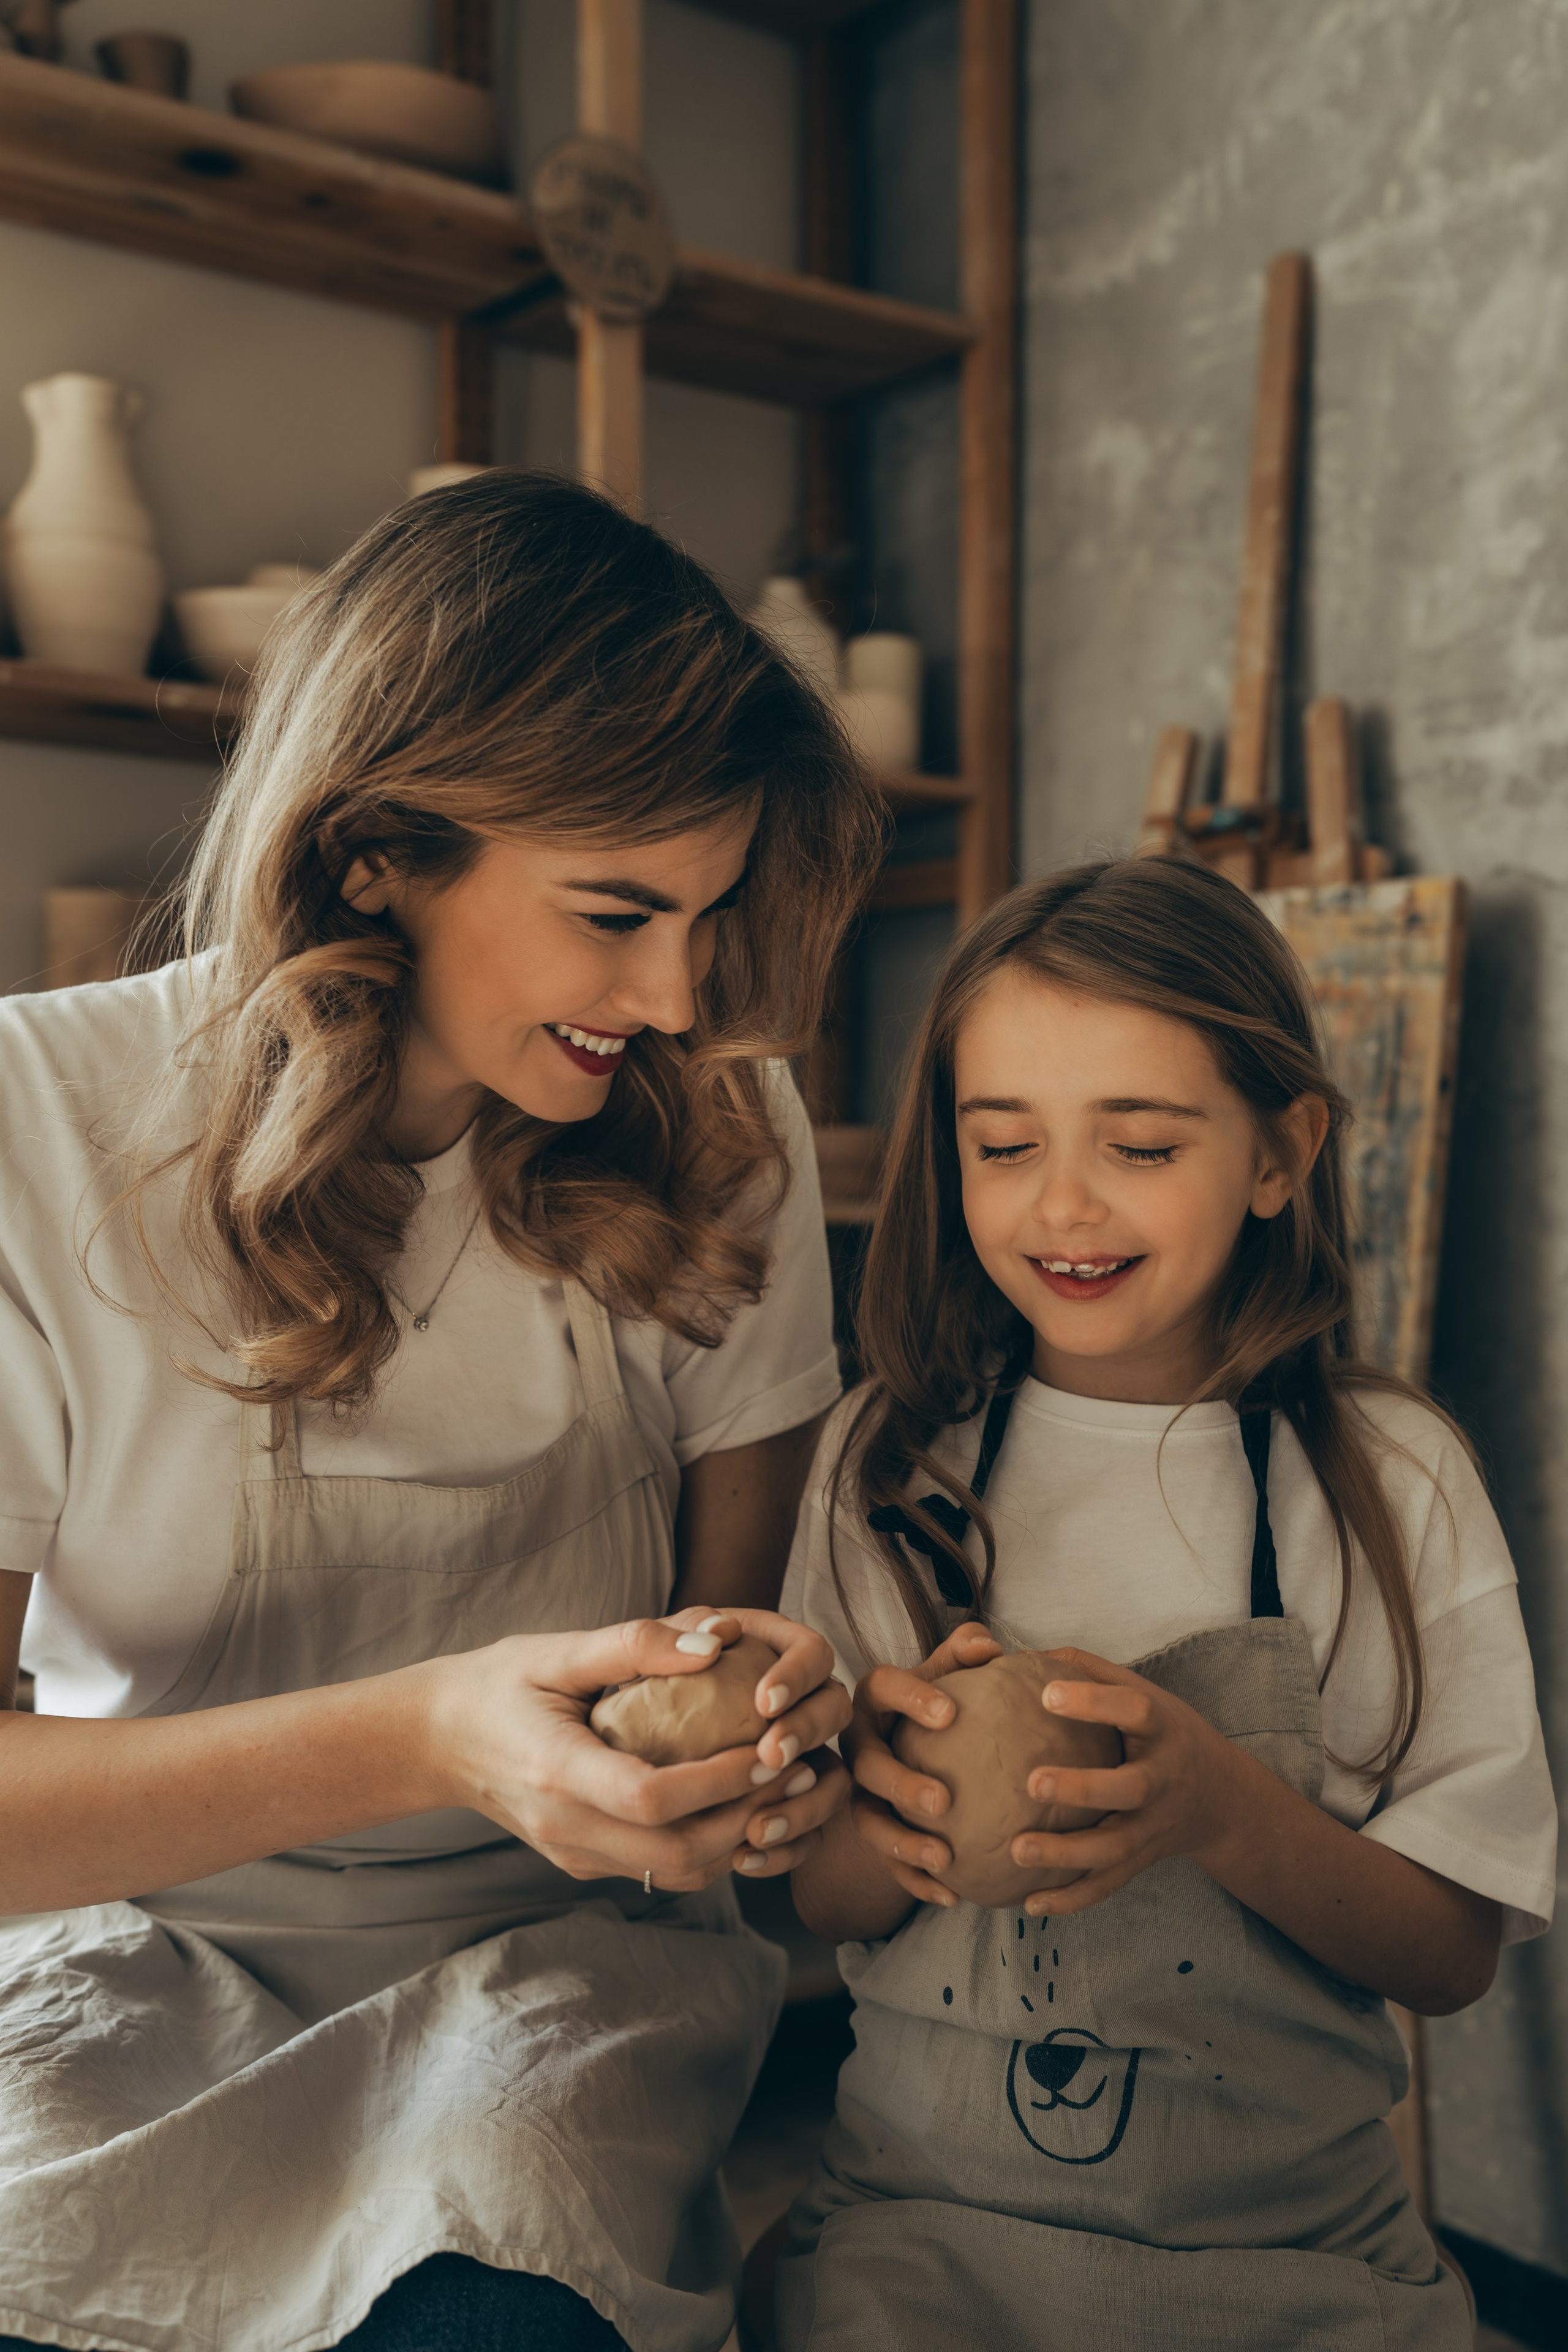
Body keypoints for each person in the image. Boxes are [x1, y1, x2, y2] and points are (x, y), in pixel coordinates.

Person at [0, 472, 883, 2352]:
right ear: (378, 848)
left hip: (565, 1963)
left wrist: (771, 1757)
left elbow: (747, 1660)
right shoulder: (30, 1128)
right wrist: (435, 1732)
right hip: (136, 1949)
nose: (673, 995)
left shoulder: (723, 1135)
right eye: (616, 912)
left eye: (709, 915)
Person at [778, 857, 1557, 2350]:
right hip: (928, 2231)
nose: (1059, 1203)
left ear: (1279, 1154)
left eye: (1136, 1145)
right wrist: (888, 1809)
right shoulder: (883, 1465)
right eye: (1001, 1145)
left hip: (1294, 2253)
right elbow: (816, 1909)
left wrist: (1214, 1808)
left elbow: (1448, 1956)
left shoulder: (1391, 1483)